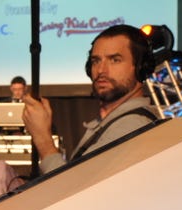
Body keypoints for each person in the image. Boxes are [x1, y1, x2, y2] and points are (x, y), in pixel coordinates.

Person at [23, 24, 160, 175]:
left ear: (141, 68)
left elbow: (71, 188)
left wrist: (43, 138)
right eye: (96, 61)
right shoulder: (115, 122)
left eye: (115, 60)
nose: (101, 70)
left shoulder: (131, 126)